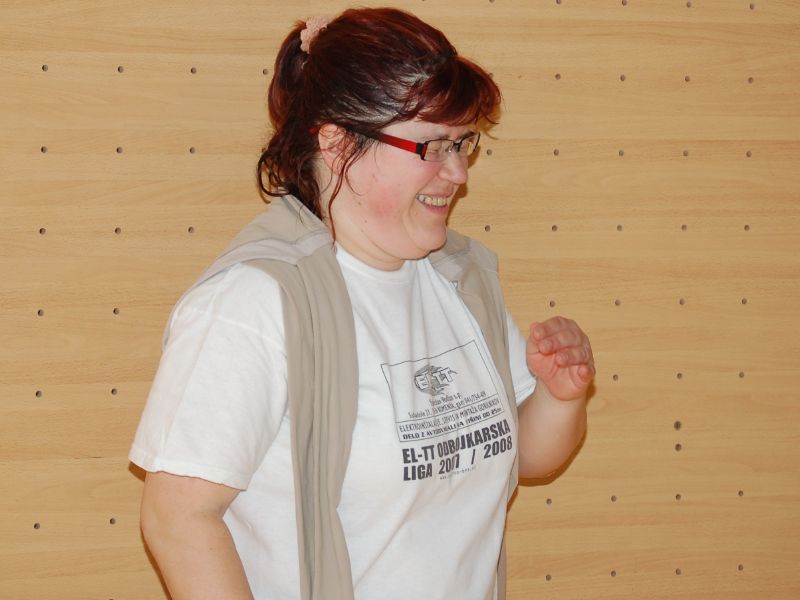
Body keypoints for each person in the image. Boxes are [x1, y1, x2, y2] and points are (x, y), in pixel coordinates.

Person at [129, 7, 594, 600]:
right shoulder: (254, 303)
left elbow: (522, 457)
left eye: (462, 144)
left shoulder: (462, 279)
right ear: (338, 143)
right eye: (431, 146)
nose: (457, 173)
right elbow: (177, 519)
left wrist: (560, 395)